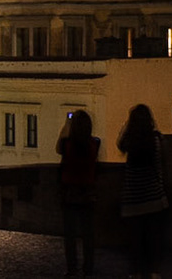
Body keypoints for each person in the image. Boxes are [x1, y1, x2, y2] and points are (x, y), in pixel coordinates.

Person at [116, 105, 168, 279]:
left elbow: (119, 143)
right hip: (153, 198)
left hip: (132, 200)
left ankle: (135, 273)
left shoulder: (130, 141)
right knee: (153, 241)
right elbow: (160, 168)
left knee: (135, 243)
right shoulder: (155, 140)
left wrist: (127, 125)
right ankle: (154, 273)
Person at [56, 109, 102, 275]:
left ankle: (72, 268)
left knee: (70, 235)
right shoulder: (95, 143)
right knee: (88, 235)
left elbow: (58, 148)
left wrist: (67, 125)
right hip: (88, 193)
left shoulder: (67, 144)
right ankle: (88, 268)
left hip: (70, 193)